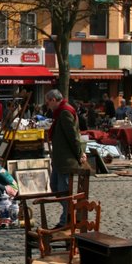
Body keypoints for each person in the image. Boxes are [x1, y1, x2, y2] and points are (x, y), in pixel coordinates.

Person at [45, 88, 88, 225]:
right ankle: (68, 215)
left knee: (64, 191)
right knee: (55, 186)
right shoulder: (60, 112)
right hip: (59, 159)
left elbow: (73, 136)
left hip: (65, 160)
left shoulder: (64, 113)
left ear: (53, 100)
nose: (48, 106)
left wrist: (79, 153)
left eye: (48, 102)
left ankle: (67, 219)